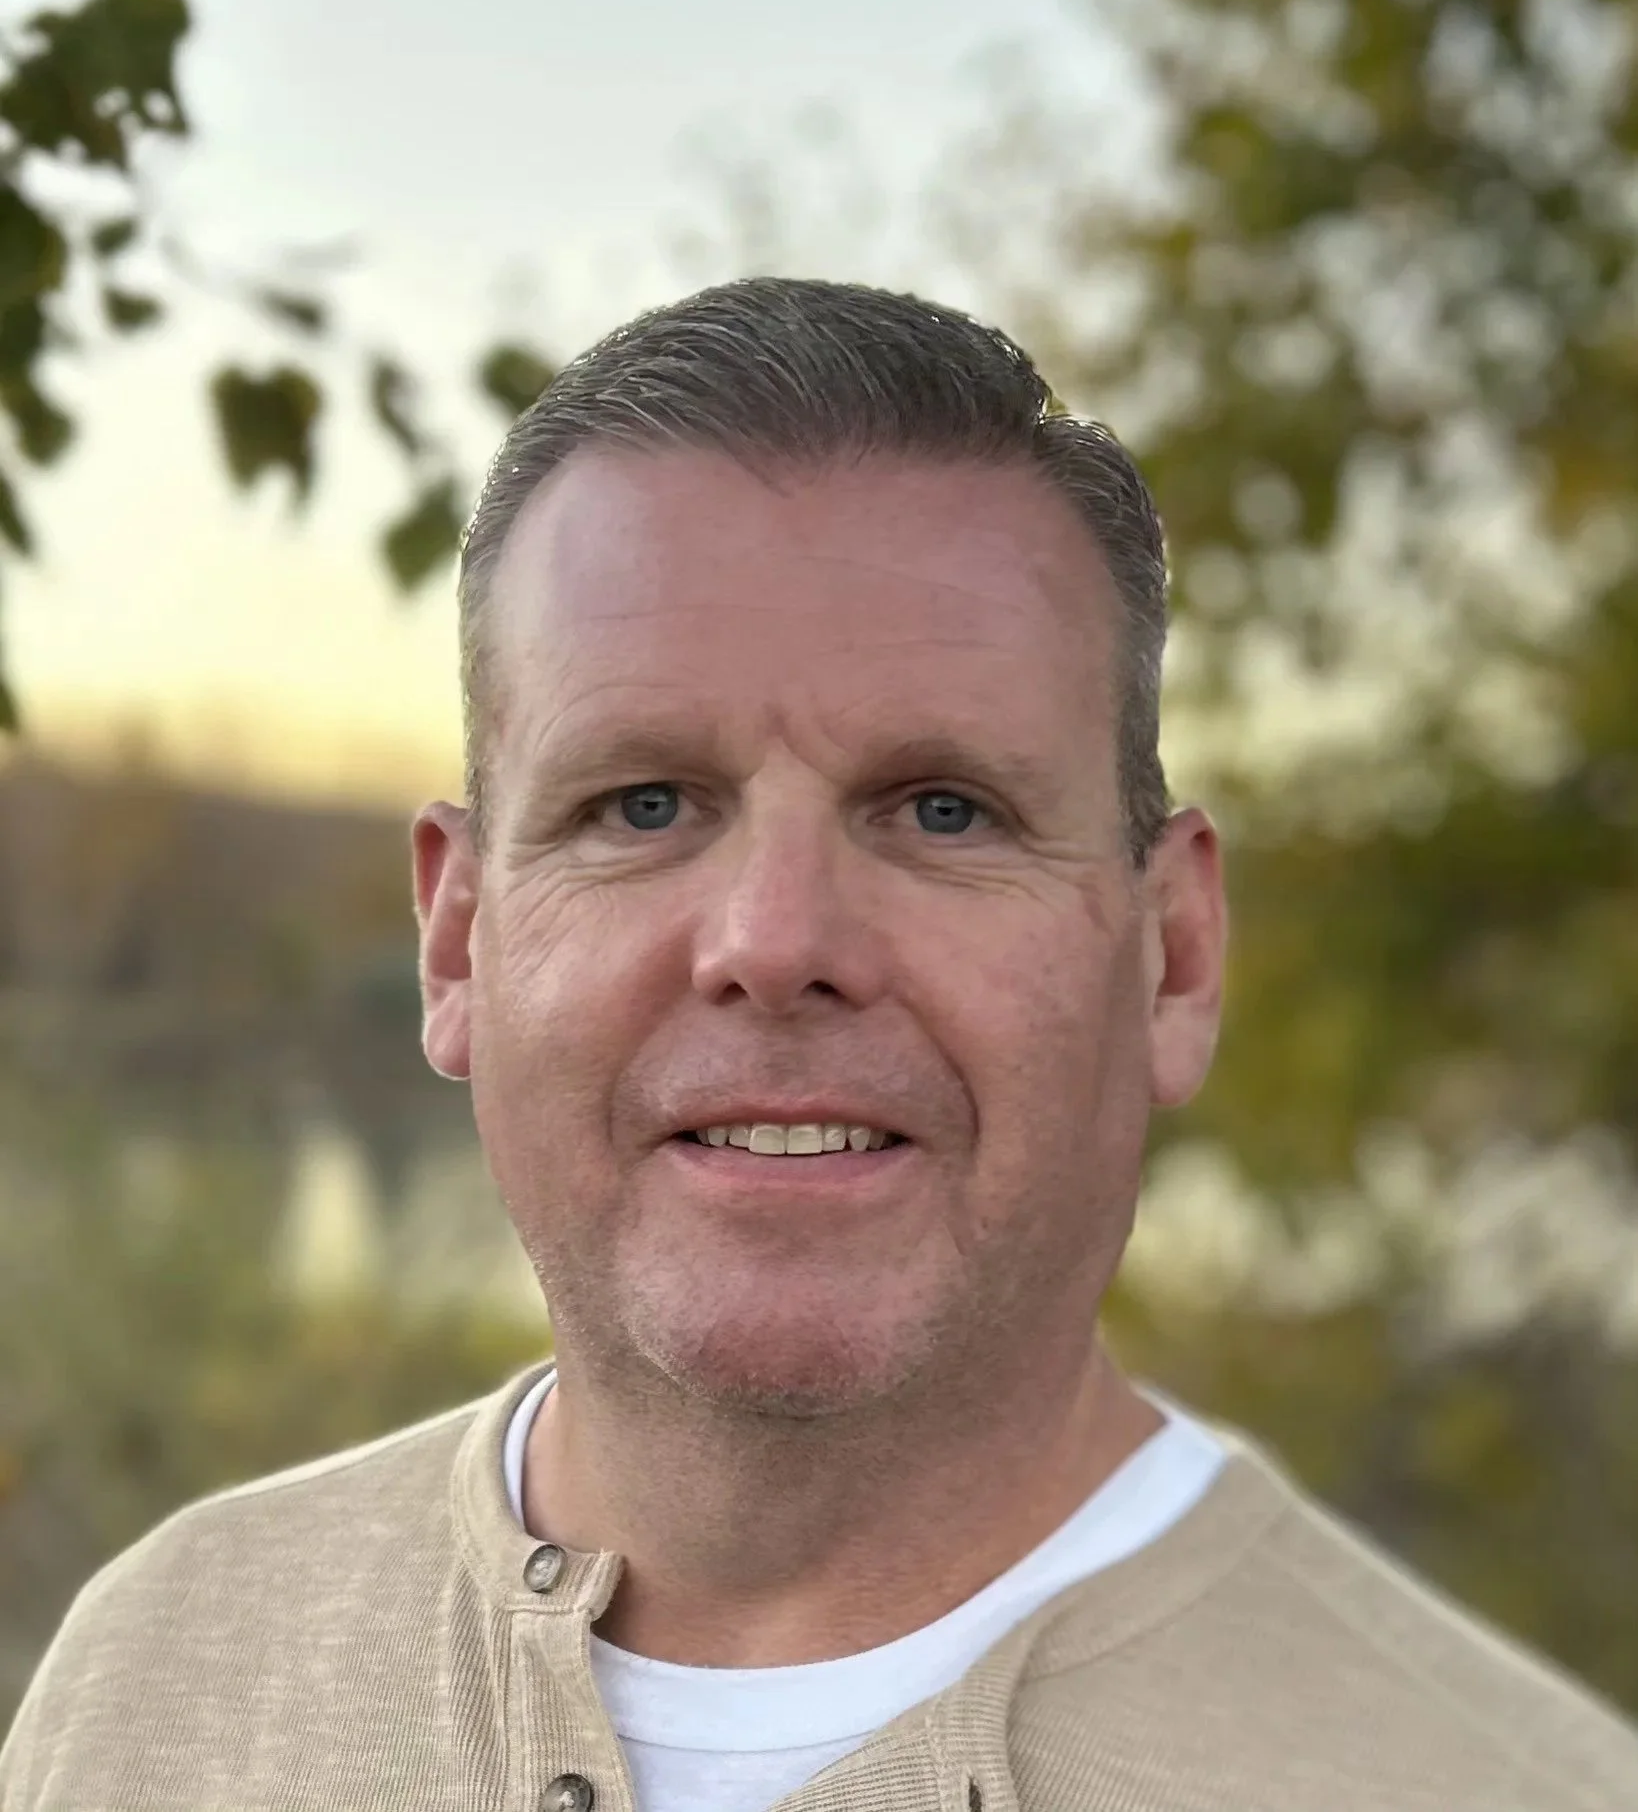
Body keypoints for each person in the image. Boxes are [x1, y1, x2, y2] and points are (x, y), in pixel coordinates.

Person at [3, 278, 1635, 1812]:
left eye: (943, 809)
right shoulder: (157, 1680)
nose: (775, 941)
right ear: (458, 941)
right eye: (644, 803)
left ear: (1173, 956)